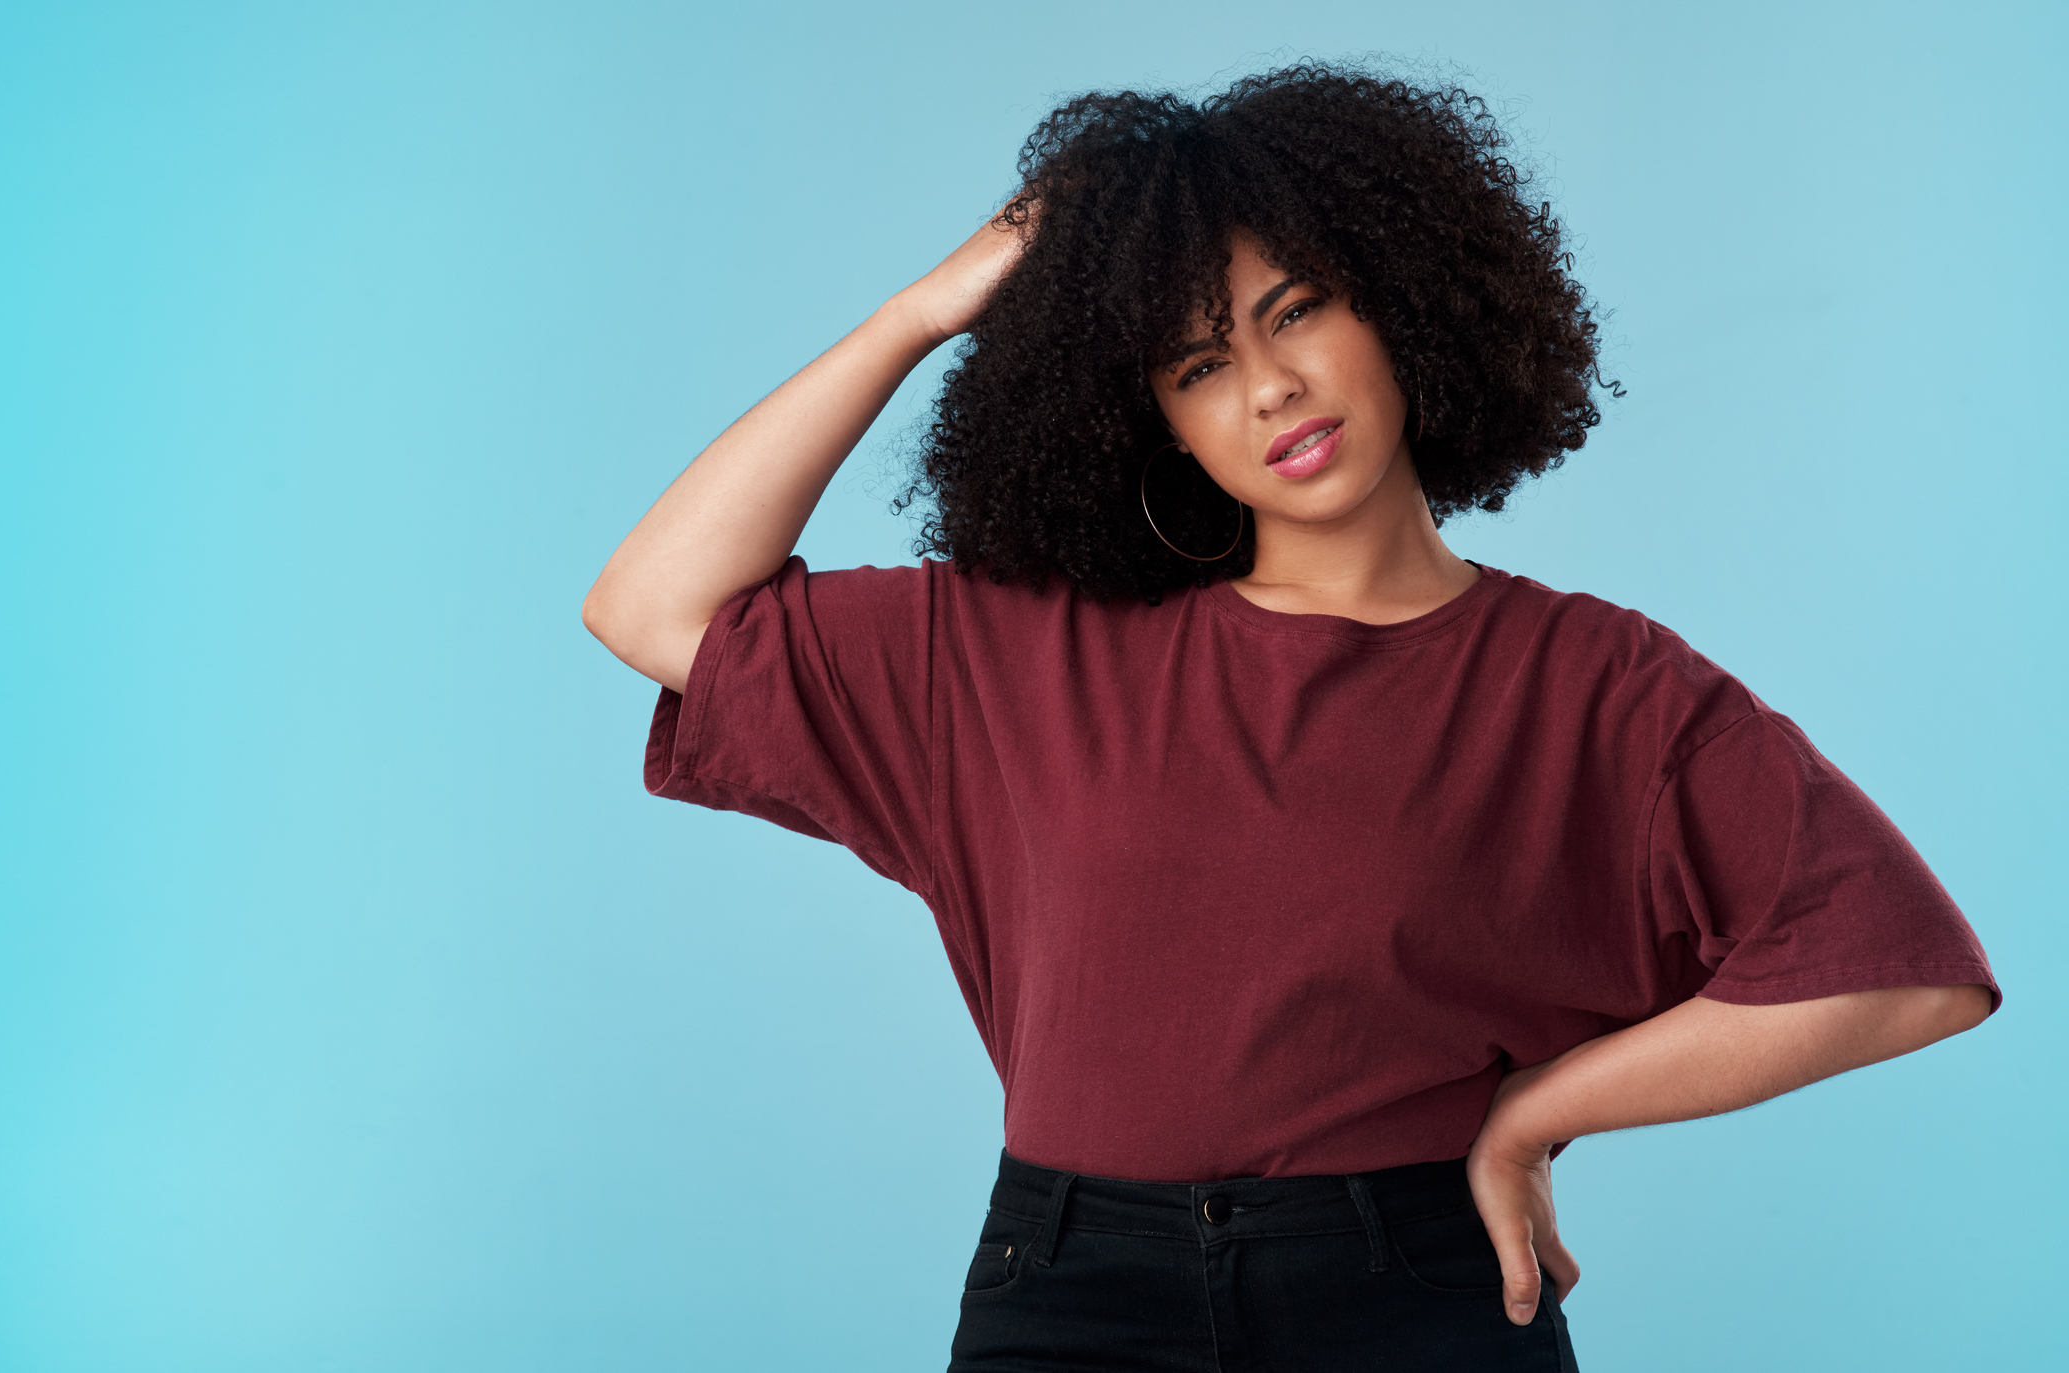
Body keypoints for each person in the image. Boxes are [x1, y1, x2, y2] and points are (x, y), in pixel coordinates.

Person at [582, 63, 1996, 1372]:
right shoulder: (1024, 647)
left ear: (1402, 302)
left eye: (1297, 307)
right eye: (1198, 364)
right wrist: (926, 310)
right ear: (1158, 425)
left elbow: (1900, 964)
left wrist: (1540, 1108)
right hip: (1073, 1292)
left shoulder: (1596, 684)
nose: (1268, 387)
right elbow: (650, 603)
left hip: (1417, 1284)